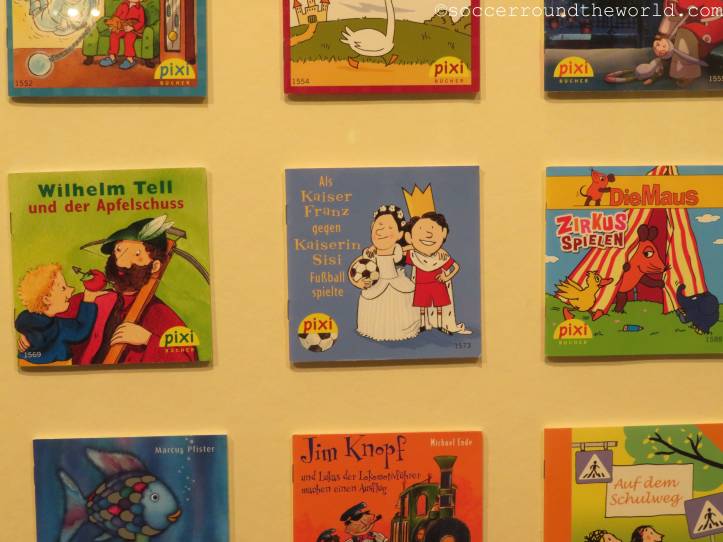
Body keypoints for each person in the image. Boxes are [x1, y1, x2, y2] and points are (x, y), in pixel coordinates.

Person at [66, 216, 198, 364]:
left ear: (155, 266)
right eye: (118, 250)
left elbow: (187, 359)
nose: (121, 262)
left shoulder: (162, 316)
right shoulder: (89, 300)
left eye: (136, 254)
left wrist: (148, 339)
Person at [349, 205, 419, 341]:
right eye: (380, 225)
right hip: (376, 285)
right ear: (372, 227)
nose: (382, 230)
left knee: (399, 306)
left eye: (390, 227)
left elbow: (408, 250)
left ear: (400, 234)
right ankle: (377, 330)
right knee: (377, 310)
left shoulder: (397, 248)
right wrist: (358, 283)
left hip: (395, 282)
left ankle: (400, 330)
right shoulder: (369, 253)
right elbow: (354, 268)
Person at [14, 264, 102, 366]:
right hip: (56, 366)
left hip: (27, 362)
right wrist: (88, 301)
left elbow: (22, 323)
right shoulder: (58, 327)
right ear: (46, 299)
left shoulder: (26, 320)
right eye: (63, 288)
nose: (72, 289)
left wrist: (24, 333)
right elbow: (80, 331)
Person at [403, 211, 470, 335]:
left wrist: (446, 276)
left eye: (432, 229)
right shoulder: (414, 256)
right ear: (409, 237)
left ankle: (440, 325)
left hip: (438, 284)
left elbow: (455, 267)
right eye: (421, 230)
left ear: (443, 233)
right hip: (421, 285)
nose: (428, 234)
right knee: (422, 307)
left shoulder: (441, 257)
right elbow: (399, 251)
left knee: (440, 307)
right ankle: (423, 325)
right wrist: (412, 246)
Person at [99, 0, 146, 70]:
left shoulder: (140, 8)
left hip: (132, 30)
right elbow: (116, 17)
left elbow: (141, 22)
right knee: (114, 35)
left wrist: (132, 27)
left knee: (129, 38)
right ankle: (112, 57)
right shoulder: (122, 5)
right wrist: (113, 26)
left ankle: (130, 59)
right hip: (121, 27)